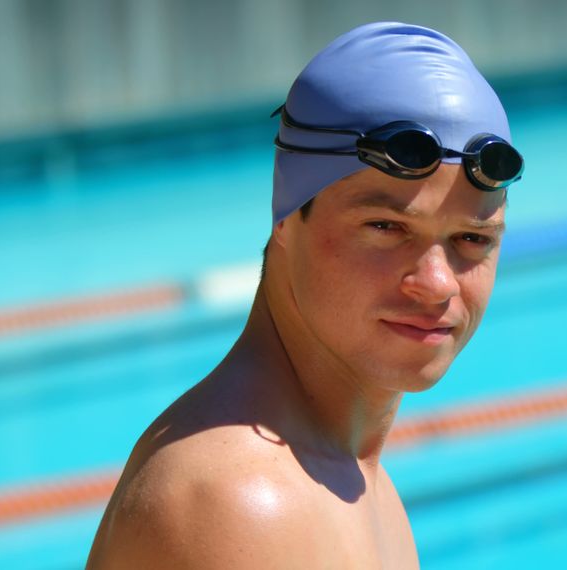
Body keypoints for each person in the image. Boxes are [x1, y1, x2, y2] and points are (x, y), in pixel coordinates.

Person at [86, 21, 523, 569]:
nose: (436, 284)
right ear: (287, 218)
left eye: (472, 239)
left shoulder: (345, 474)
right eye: (386, 228)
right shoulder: (243, 503)